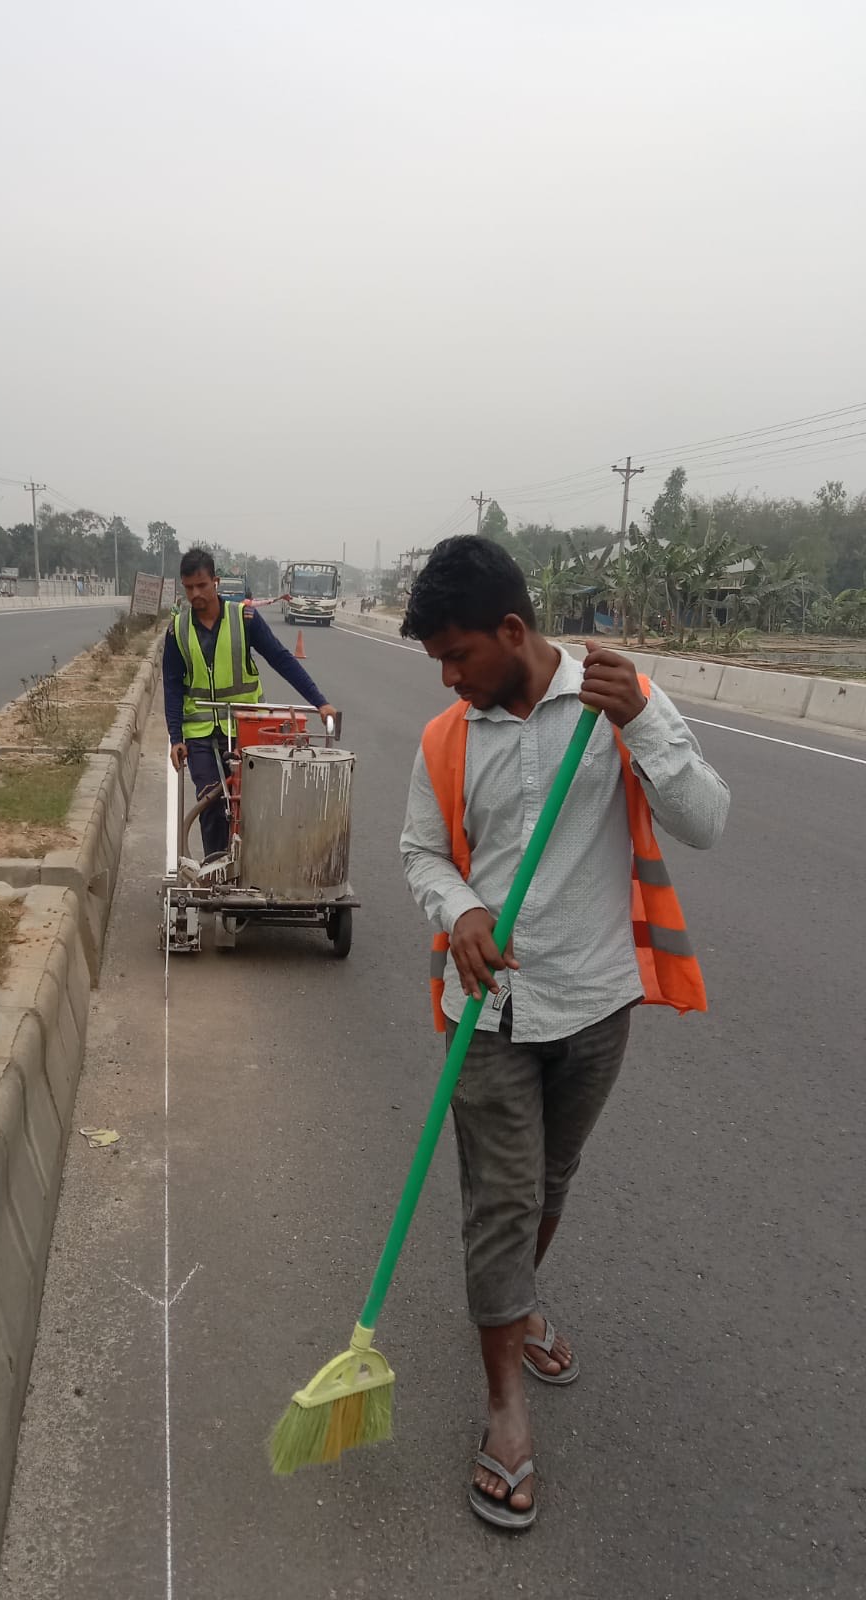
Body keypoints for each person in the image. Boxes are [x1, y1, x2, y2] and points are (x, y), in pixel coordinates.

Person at [399, 536, 728, 1530]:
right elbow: (421, 851)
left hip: (594, 1005)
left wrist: (645, 724)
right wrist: (460, 908)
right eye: (438, 663)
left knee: (550, 1182)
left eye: (459, 655)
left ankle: (520, 1297)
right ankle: (505, 1408)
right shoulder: (447, 738)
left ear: (513, 630)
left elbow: (706, 820)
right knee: (501, 1201)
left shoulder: (619, 701)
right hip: (488, 1013)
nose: (450, 679)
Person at [165, 547, 337, 859]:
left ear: (215, 582)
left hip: (247, 728)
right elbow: (173, 686)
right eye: (189, 587)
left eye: (201, 585)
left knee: (251, 803)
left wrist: (319, 702)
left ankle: (253, 865)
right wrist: (176, 737)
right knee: (210, 802)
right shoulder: (177, 628)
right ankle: (215, 869)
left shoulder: (244, 619)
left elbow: (281, 659)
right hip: (200, 734)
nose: (195, 594)